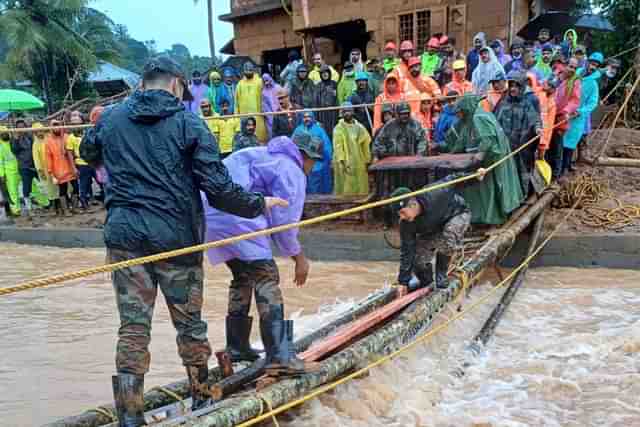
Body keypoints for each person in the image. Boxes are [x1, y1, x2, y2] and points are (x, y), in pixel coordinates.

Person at [80, 55, 284, 424]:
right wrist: (258, 203)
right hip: (177, 241)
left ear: (142, 83)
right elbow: (219, 190)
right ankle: (203, 403)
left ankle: (129, 416)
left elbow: (86, 151)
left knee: (132, 328)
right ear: (176, 83)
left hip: (125, 239)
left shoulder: (111, 119)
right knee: (189, 326)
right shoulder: (190, 123)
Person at [203, 133, 322, 376]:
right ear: (305, 157)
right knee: (266, 276)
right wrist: (299, 258)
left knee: (243, 276)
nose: (312, 168)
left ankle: (237, 346)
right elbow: (284, 222)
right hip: (238, 214)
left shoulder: (261, 155)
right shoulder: (292, 169)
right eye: (313, 162)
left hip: (210, 215)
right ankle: (279, 356)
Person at [439, 95, 523, 225]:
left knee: (489, 191)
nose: (458, 116)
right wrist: (450, 153)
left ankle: (491, 219)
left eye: (460, 112)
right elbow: (462, 140)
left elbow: (488, 139)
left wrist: (480, 155)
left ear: (466, 108)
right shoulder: (472, 118)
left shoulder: (479, 117)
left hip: (491, 161)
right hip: (491, 158)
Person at [391, 174, 472, 294]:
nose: (401, 217)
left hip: (457, 215)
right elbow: (407, 251)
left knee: (449, 233)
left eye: (403, 212)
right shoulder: (406, 223)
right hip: (434, 227)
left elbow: (453, 179)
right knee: (417, 260)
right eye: (399, 214)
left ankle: (441, 275)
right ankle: (427, 282)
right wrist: (403, 282)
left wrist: (476, 176)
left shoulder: (434, 193)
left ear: (412, 204)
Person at [494, 72, 542, 196]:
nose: (513, 88)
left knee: (522, 172)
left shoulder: (526, 103)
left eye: (516, 86)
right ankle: (510, 197)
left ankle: (524, 195)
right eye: (511, 85)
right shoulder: (503, 102)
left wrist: (537, 128)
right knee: (507, 173)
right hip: (506, 146)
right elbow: (494, 119)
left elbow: (535, 119)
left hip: (521, 147)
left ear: (521, 87)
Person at [563, 53, 602, 174]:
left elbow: (592, 102)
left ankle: (566, 166)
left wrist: (580, 111)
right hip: (565, 111)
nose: (592, 67)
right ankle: (560, 166)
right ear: (587, 62)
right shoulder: (576, 73)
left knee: (571, 142)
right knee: (560, 140)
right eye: (591, 63)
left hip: (577, 116)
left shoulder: (593, 84)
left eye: (595, 65)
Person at [332, 102, 372, 195]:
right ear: (341, 114)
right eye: (344, 111)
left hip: (359, 162)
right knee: (346, 188)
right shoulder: (338, 128)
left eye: (349, 111)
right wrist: (342, 161)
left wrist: (367, 160)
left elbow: (366, 144)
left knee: (361, 186)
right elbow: (338, 146)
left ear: (353, 112)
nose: (347, 113)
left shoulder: (360, 127)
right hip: (345, 163)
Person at [552, 57, 582, 177]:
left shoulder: (576, 81)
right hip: (549, 114)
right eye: (570, 66)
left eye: (575, 68)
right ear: (565, 65)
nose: (572, 70)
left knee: (558, 146)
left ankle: (557, 175)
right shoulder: (555, 76)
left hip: (561, 117)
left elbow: (575, 100)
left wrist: (566, 111)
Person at [293, 110, 333, 194]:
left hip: (317, 163)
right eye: (304, 117)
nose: (307, 119)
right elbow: (292, 146)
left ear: (313, 118)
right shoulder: (298, 130)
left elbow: (326, 146)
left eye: (309, 117)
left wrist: (328, 159)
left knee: (318, 187)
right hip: (302, 164)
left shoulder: (319, 130)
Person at [46, 120, 77, 216]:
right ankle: (65, 210)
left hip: (71, 167)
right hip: (58, 170)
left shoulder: (67, 137)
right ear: (51, 128)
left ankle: (74, 207)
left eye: (58, 125)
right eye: (54, 125)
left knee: (76, 187)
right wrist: (51, 173)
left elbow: (72, 151)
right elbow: (48, 158)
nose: (57, 127)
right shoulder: (48, 141)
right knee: (62, 190)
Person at [66, 115, 95, 211]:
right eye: (74, 124)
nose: (77, 125)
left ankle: (94, 199)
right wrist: (73, 167)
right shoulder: (70, 137)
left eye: (78, 123)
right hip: (81, 163)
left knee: (101, 181)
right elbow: (69, 154)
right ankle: (84, 203)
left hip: (93, 161)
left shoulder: (88, 132)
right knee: (83, 184)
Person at [10, 119, 38, 215]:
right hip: (24, 166)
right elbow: (14, 150)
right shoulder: (14, 139)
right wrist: (16, 139)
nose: (21, 128)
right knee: (27, 187)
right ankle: (29, 208)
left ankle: (49, 203)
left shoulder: (29, 136)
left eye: (23, 126)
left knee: (42, 184)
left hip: (35, 164)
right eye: (19, 126)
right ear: (16, 128)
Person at [236, 62, 268, 142]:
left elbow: (266, 98)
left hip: (259, 116)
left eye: (250, 70)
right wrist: (236, 118)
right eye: (246, 70)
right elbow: (236, 103)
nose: (248, 72)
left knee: (260, 139)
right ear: (243, 71)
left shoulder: (260, 81)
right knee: (245, 140)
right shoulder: (240, 84)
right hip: (244, 117)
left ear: (253, 70)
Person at [31, 122, 59, 209]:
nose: (40, 133)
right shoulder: (35, 144)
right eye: (38, 131)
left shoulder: (48, 138)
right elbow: (36, 159)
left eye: (41, 130)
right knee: (48, 187)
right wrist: (40, 170)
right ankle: (53, 205)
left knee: (57, 186)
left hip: (54, 167)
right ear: (35, 133)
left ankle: (60, 203)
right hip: (44, 169)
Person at [313, 65, 339, 139]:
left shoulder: (334, 84)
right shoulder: (318, 86)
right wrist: (316, 118)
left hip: (333, 114)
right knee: (324, 134)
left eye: (326, 72)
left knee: (335, 133)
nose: (325, 74)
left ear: (329, 73)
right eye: (322, 73)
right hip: (322, 114)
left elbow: (338, 98)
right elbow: (315, 102)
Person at [0, 126, 21, 216]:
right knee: (13, 191)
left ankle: (45, 203)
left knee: (33, 187)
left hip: (20, 169)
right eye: (2, 133)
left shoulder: (13, 142)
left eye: (5, 132)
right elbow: (0, 163)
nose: (4, 134)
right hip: (9, 173)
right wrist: (2, 175)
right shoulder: (1, 147)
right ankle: (16, 210)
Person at [537, 78, 559, 162]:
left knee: (540, 157)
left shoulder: (552, 104)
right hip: (533, 131)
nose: (549, 88)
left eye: (552, 87)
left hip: (543, 134)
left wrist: (544, 142)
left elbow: (549, 124)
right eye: (549, 85)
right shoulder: (538, 96)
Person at [262, 73, 282, 139]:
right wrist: (270, 118)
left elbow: (283, 100)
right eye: (264, 81)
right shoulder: (264, 92)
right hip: (271, 118)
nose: (266, 82)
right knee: (272, 135)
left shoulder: (278, 87)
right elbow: (265, 107)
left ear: (271, 79)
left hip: (281, 114)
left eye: (267, 80)